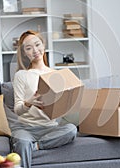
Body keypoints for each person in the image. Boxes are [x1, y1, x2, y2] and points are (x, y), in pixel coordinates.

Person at [10, 30, 77, 168]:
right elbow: (17, 110)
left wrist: (67, 102)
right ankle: (28, 145)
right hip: (26, 128)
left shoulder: (56, 74)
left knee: (71, 129)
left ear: (43, 45)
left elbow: (61, 110)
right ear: (24, 53)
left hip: (50, 129)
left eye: (37, 45)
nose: (35, 50)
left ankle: (37, 146)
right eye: (29, 48)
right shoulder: (21, 75)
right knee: (22, 142)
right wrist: (28, 103)